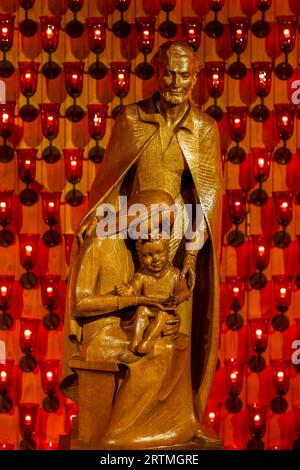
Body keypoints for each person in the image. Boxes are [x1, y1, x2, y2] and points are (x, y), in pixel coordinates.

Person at [61, 40, 223, 449]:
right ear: (157, 71)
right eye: (169, 72)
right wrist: (98, 217)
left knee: (179, 328)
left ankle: (184, 420)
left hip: (180, 234)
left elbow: (208, 194)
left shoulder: (203, 128)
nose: (175, 82)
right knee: (138, 326)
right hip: (134, 232)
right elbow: (112, 178)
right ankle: (119, 426)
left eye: (184, 75)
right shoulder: (132, 118)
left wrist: (190, 252)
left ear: (195, 78)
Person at [116, 234, 190, 355]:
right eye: (148, 255)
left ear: (168, 251)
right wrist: (127, 290)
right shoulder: (141, 275)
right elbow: (134, 286)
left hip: (167, 311)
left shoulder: (175, 274)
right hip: (148, 309)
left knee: (162, 315)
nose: (155, 259)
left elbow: (185, 291)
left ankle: (148, 341)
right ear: (141, 257)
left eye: (159, 253)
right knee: (141, 310)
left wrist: (177, 298)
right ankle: (136, 339)